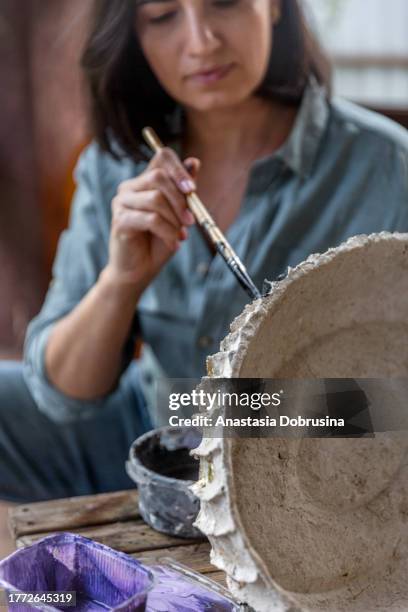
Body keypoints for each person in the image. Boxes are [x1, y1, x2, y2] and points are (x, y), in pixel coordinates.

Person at [0, 0, 407, 553]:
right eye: (163, 15)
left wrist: (194, 405)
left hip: (302, 466)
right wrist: (121, 281)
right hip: (144, 437)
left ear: (276, 9)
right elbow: (65, 397)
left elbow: (386, 405)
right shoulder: (117, 165)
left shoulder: (387, 168)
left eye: (225, 3)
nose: (201, 40)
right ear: (135, 36)